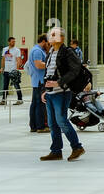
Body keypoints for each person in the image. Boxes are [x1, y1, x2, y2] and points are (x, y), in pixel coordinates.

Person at [40, 27, 86, 162]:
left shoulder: (67, 52)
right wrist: (45, 90)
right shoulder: (50, 53)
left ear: (62, 38)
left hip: (62, 93)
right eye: (51, 34)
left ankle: (77, 147)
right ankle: (56, 151)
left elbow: (76, 69)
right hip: (50, 94)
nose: (51, 36)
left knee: (61, 121)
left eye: (54, 34)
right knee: (52, 123)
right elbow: (48, 73)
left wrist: (59, 83)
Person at [27, 33, 49, 132]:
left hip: (37, 80)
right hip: (39, 81)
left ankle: (34, 126)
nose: (48, 45)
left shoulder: (38, 50)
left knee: (35, 104)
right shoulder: (37, 51)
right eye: (47, 43)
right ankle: (40, 126)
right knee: (39, 104)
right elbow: (39, 65)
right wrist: (51, 64)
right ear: (43, 41)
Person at [0, 36, 24, 106]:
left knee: (16, 85)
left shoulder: (17, 50)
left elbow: (18, 60)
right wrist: (2, 68)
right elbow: (3, 59)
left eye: (14, 41)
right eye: (12, 41)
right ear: (9, 42)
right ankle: (4, 100)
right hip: (6, 70)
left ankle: (20, 99)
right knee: (5, 86)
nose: (13, 43)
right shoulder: (5, 49)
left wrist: (17, 70)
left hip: (13, 71)